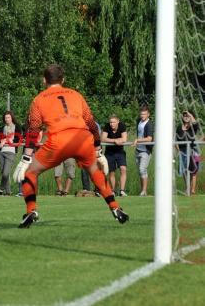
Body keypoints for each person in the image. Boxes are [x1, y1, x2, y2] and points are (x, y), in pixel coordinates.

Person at [13, 64, 128, 228]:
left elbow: (33, 129)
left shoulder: (39, 99)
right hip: (82, 138)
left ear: (44, 80)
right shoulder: (75, 94)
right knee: (94, 171)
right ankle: (115, 207)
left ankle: (31, 210)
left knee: (30, 171)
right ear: (63, 79)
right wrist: (97, 149)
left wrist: (25, 157)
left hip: (58, 140)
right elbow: (91, 123)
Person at [101, 114, 128, 196]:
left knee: (123, 168)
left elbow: (124, 139)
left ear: (118, 122)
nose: (111, 124)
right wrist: (115, 140)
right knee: (111, 172)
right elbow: (103, 139)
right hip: (109, 152)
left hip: (120, 152)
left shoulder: (122, 126)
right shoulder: (106, 126)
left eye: (113, 122)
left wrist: (119, 140)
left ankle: (122, 191)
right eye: (110, 122)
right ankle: (113, 190)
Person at [176, 110, 201, 195]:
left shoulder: (193, 127)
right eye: (184, 115)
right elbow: (176, 140)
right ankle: (188, 188)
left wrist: (190, 114)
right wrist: (178, 150)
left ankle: (192, 190)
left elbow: (195, 123)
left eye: (188, 116)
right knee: (184, 171)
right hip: (183, 152)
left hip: (194, 151)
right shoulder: (179, 127)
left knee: (194, 171)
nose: (186, 117)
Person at [0, 111, 22, 196]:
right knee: (3, 172)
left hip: (11, 152)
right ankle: (8, 192)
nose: (7, 119)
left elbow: (18, 139)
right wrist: (2, 140)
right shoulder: (2, 127)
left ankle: (0, 189)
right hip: (1, 152)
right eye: (5, 118)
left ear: (12, 118)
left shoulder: (17, 127)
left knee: (5, 173)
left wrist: (5, 140)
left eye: (8, 117)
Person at [132, 105, 154, 196]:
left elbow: (149, 139)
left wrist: (137, 140)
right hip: (138, 150)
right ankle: (143, 191)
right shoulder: (138, 121)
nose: (142, 116)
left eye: (144, 114)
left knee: (142, 169)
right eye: (141, 114)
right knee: (140, 171)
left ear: (148, 114)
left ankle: (144, 191)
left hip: (145, 151)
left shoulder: (149, 124)